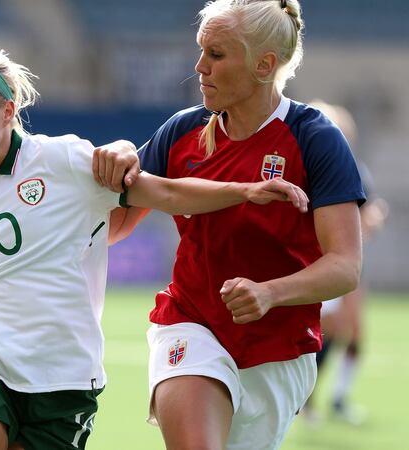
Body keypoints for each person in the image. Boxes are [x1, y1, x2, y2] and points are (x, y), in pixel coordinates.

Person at [0, 45, 309, 450]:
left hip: (63, 376)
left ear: (8, 111)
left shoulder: (64, 161)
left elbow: (170, 194)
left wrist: (245, 191)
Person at [92, 1, 365, 449]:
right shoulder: (182, 130)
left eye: (216, 55)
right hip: (190, 323)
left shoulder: (314, 137)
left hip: (279, 350)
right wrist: (119, 155)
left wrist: (268, 292)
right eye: (201, 51)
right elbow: (115, 225)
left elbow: (345, 266)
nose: (199, 67)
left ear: (264, 64)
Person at [301, 100, 390, 425]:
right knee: (326, 329)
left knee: (350, 330)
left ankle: (335, 398)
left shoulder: (352, 166)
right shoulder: (312, 165)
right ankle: (305, 398)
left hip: (351, 257)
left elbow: (364, 208)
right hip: (324, 258)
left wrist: (373, 216)